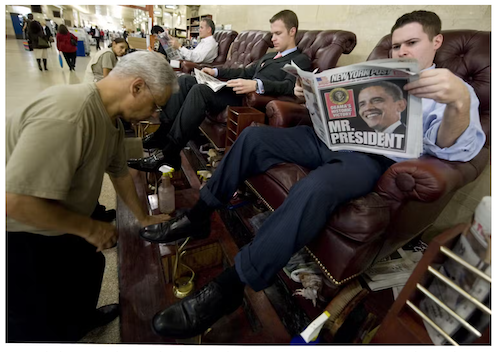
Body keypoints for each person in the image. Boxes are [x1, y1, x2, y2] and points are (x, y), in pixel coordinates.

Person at [140, 10, 486, 339]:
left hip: (370, 160)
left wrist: (458, 104)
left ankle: (230, 287)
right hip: (327, 139)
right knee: (254, 137)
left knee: (316, 187)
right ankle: (201, 214)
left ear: (436, 42)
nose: (401, 51)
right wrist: (309, 96)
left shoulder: (452, 90)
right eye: (396, 45)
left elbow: (457, 150)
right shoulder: (377, 72)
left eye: (411, 43)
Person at [6, 51, 178, 342]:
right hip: (24, 232)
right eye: (154, 105)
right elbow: (16, 202)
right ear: (136, 87)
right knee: (36, 316)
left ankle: (80, 322)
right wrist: (90, 229)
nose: (153, 115)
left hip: (65, 215)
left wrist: (143, 217)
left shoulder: (108, 118)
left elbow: (120, 172)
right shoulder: (70, 115)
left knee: (88, 267)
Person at [128, 10, 311, 172]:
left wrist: (257, 85)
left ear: (292, 31)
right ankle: (162, 134)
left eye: (278, 34)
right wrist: (215, 71)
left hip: (251, 100)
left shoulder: (300, 60)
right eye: (272, 34)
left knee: (200, 90)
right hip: (235, 88)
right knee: (185, 80)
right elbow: (244, 71)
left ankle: (169, 153)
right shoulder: (270, 56)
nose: (273, 39)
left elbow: (290, 87)